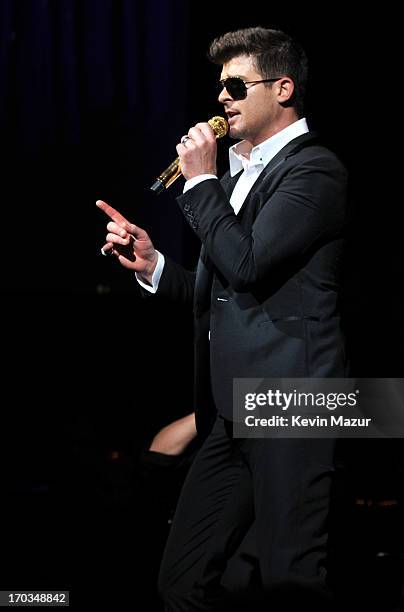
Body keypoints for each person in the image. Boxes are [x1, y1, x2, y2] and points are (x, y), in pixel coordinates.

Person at [98, 26, 348, 611]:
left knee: (291, 579)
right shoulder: (238, 179)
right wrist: (155, 264)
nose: (223, 98)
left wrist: (203, 180)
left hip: (293, 400)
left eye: (236, 84)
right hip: (230, 410)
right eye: (220, 86)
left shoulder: (314, 171)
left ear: (283, 88)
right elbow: (220, 291)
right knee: (182, 580)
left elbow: (249, 263)